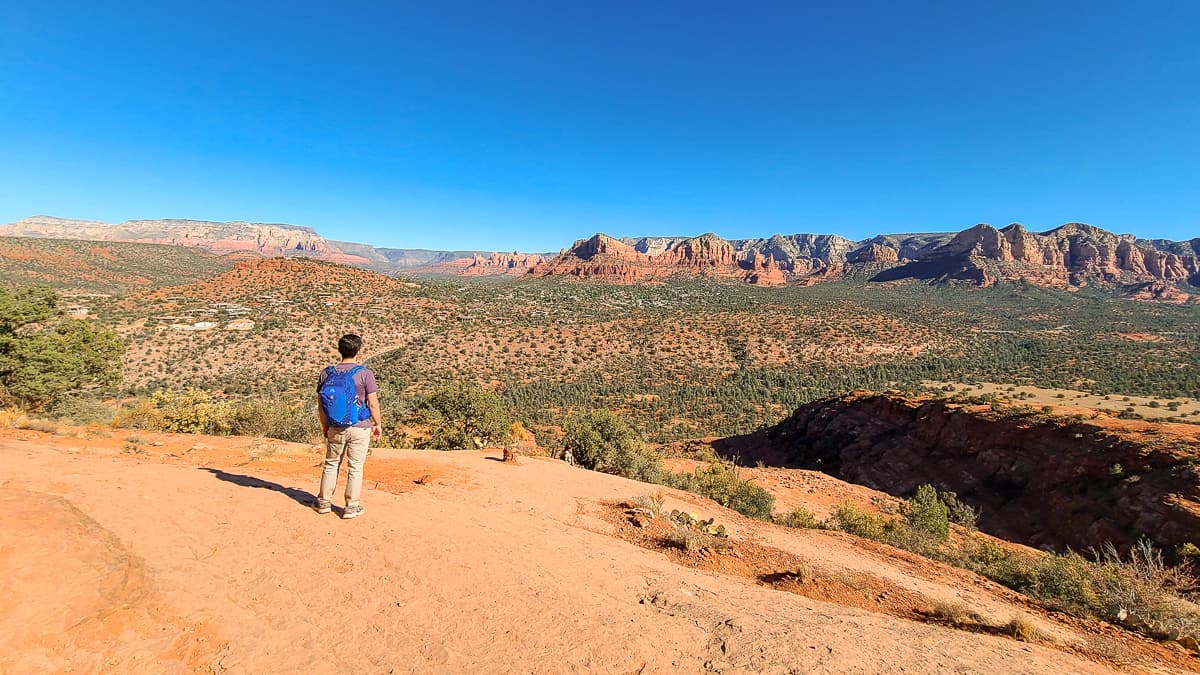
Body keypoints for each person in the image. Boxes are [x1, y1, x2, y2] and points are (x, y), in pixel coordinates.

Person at [314, 334, 382, 519]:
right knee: (355, 467)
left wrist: (325, 425)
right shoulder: (365, 373)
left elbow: (321, 404)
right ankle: (351, 506)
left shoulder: (326, 373)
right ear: (358, 350)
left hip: (335, 426)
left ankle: (323, 502)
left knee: (331, 463)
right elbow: (373, 403)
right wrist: (378, 424)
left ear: (339, 349)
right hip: (360, 427)